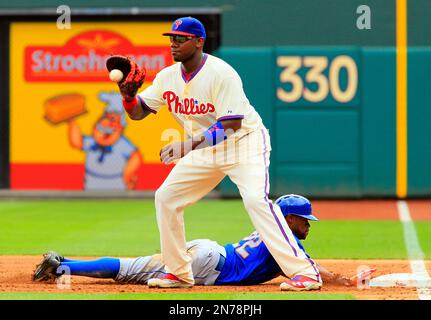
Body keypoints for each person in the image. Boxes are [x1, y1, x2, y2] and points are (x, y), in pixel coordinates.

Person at [109, 16, 322, 290]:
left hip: (244, 144)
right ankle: (178, 272)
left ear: (199, 42)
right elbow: (139, 112)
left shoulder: (221, 73)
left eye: (181, 38)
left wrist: (186, 146)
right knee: (166, 197)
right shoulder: (167, 77)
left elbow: (231, 125)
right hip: (207, 149)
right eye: (171, 38)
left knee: (256, 200)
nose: (174, 43)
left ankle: (305, 273)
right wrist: (127, 96)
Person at [32, 194, 353, 290]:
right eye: (304, 220)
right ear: (290, 219)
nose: (308, 226)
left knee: (130, 267)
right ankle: (62, 268)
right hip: (210, 264)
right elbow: (311, 271)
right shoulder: (283, 243)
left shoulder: (271, 233)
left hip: (208, 251)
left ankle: (62, 265)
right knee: (132, 273)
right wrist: (347, 282)